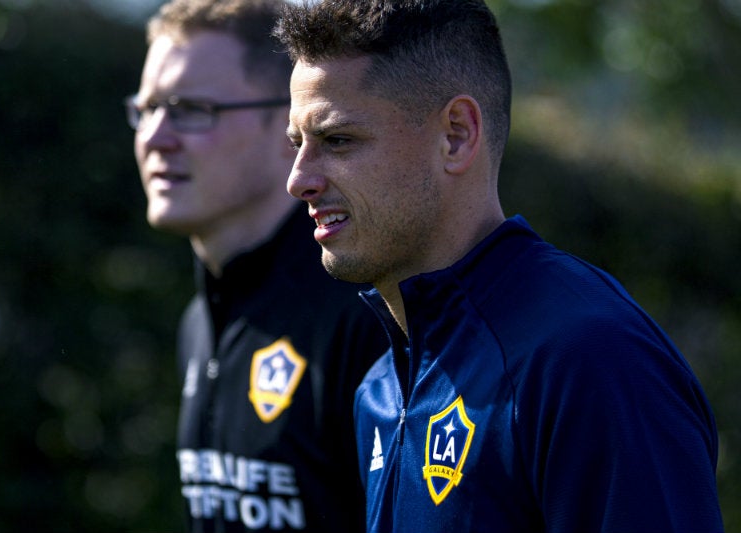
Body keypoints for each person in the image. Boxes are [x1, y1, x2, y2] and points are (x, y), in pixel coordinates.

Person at [274, 1, 725, 531]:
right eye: (297, 144)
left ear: (457, 135)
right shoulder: (379, 387)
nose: (299, 180)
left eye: (338, 140)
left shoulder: (590, 358)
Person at [126, 0, 388, 531]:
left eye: (190, 109)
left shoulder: (364, 314)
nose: (155, 138)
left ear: (285, 126)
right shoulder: (200, 323)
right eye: (146, 109)